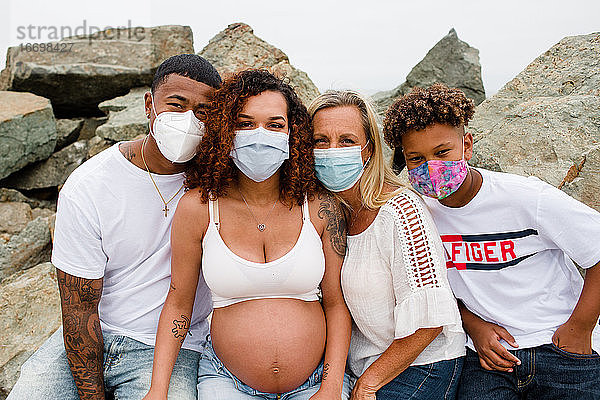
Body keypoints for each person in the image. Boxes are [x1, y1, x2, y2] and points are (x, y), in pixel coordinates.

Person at [7, 54, 222, 400]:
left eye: (203, 113)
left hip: (171, 348)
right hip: (91, 335)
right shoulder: (91, 184)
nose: (188, 121)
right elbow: (78, 310)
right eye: (176, 105)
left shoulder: (219, 185)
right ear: (149, 105)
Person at [143, 69, 352, 400]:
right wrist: (158, 389)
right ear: (226, 130)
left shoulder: (318, 206)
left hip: (316, 382)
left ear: (293, 133)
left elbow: (338, 305)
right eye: (244, 123)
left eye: (275, 124)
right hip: (226, 381)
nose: (260, 134)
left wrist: (330, 387)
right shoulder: (197, 207)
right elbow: (179, 304)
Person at [383, 83, 600, 400]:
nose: (431, 166)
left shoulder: (526, 198)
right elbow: (432, 290)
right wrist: (474, 326)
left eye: (442, 152)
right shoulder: (416, 214)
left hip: (557, 344)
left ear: (467, 145)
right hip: (485, 357)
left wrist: (580, 328)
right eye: (416, 158)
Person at [308, 90, 466, 400]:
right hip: (362, 366)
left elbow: (430, 321)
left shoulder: (401, 210)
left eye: (346, 141)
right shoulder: (328, 212)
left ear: (368, 150)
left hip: (422, 365)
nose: (332, 151)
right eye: (320, 141)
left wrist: (367, 384)